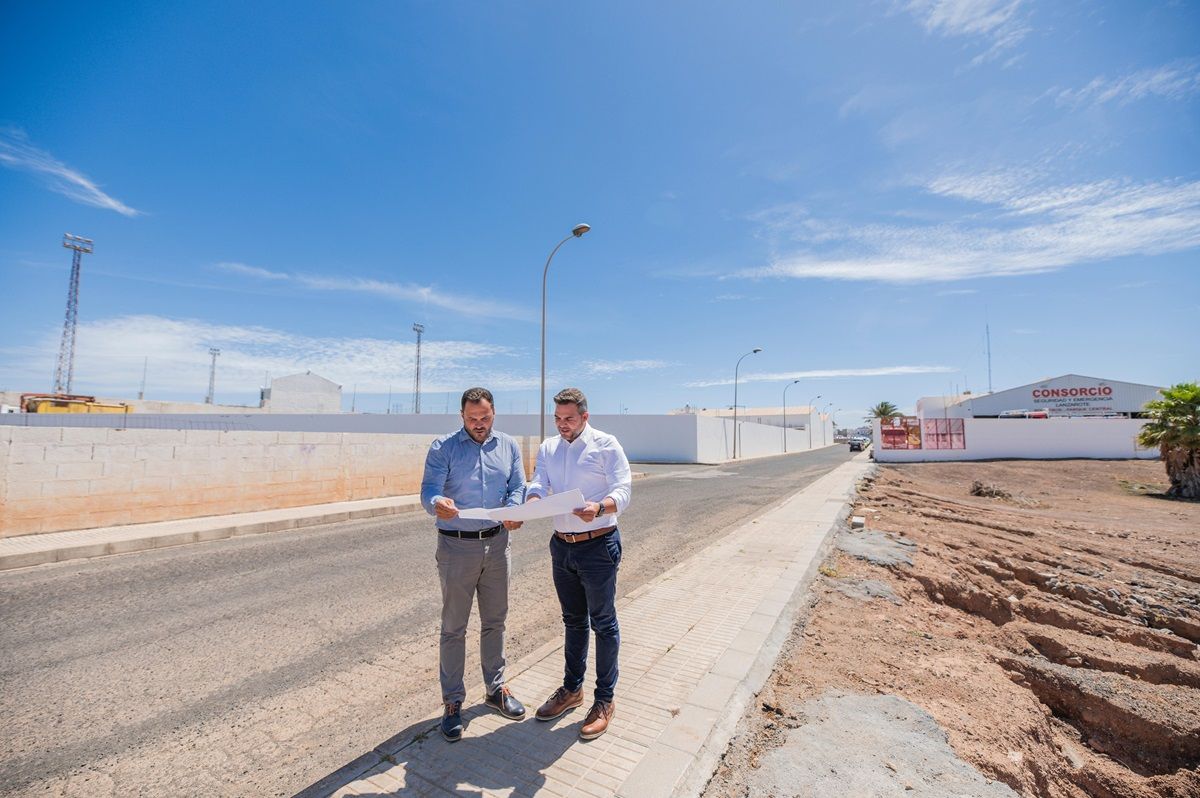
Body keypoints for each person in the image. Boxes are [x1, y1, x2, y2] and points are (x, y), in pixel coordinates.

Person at [420, 386, 527, 742]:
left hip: (498, 545)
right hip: (456, 547)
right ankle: (453, 703)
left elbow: (517, 486)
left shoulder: (509, 445)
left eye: (484, 418)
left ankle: (495, 690)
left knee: (495, 621)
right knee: (454, 627)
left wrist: (514, 509)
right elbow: (428, 490)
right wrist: (439, 502)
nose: (478, 425)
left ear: (493, 413)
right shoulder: (443, 447)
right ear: (462, 417)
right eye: (471, 419)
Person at [527, 387, 632, 740]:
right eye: (557, 418)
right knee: (573, 621)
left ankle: (605, 700)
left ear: (585, 416)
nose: (562, 425)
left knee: (603, 622)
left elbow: (624, 489)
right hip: (562, 546)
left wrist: (599, 507)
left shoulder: (606, 444)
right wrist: (534, 496)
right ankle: (572, 690)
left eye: (569, 418)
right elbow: (540, 480)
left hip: (599, 545)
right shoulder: (548, 448)